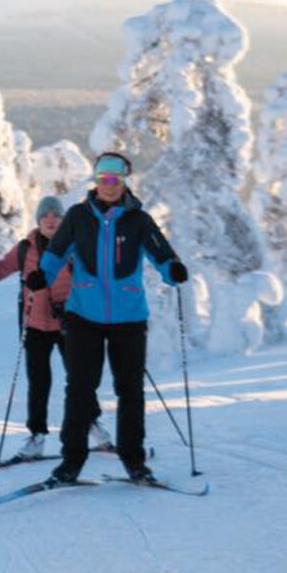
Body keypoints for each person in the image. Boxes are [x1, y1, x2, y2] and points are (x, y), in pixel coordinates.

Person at [25, 152, 188, 483]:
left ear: (123, 181)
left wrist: (173, 270)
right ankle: (71, 462)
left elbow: (162, 254)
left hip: (129, 318)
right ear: (96, 182)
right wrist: (44, 275)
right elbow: (56, 252)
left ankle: (134, 461)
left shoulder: (139, 220)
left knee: (130, 391)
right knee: (80, 389)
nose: (109, 186)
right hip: (84, 316)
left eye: (114, 180)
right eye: (103, 180)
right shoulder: (78, 216)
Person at [0, 195, 110, 459]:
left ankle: (93, 425)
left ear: (63, 220)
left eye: (56, 217)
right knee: (38, 383)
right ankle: (37, 436)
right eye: (45, 217)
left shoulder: (74, 246)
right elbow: (0, 271)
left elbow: (92, 278)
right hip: (34, 326)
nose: (51, 221)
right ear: (38, 220)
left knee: (80, 379)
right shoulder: (26, 248)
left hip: (71, 323)